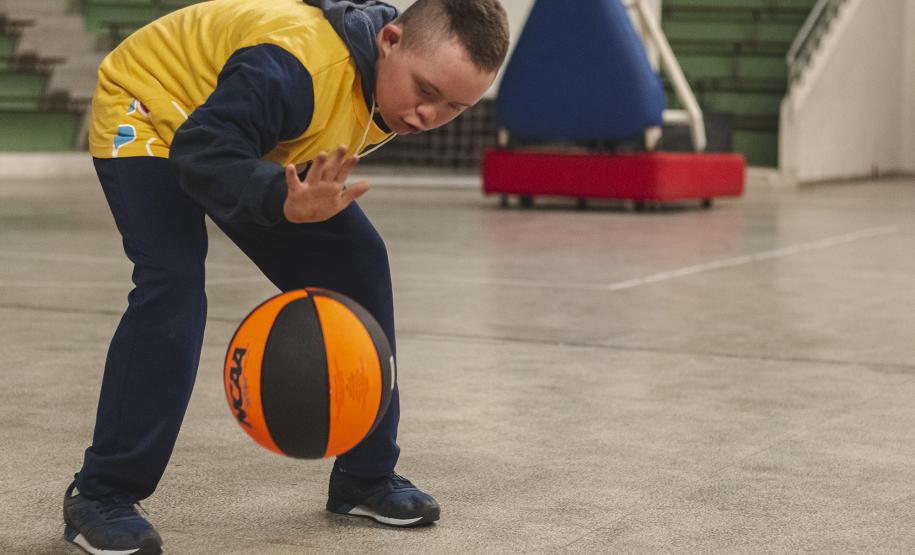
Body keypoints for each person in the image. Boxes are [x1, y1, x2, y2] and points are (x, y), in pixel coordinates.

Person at [62, 0, 509, 552]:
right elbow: (200, 153)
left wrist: (281, 196)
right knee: (171, 284)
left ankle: (364, 476)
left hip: (241, 135)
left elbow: (243, 147)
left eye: (454, 108)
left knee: (360, 266)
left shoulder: (389, 84)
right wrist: (279, 197)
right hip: (152, 107)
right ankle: (101, 493)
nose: (428, 115)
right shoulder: (295, 67)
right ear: (390, 40)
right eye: (425, 90)